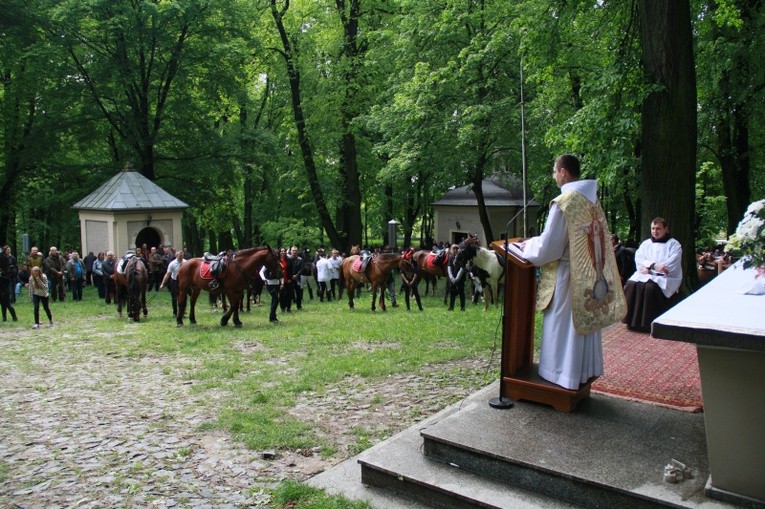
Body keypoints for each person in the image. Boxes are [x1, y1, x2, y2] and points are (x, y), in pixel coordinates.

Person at [520, 154, 626, 390]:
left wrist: (527, 247)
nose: (554, 176)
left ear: (564, 172)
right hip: (588, 275)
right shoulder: (591, 201)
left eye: (555, 171)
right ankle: (581, 371)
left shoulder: (565, 202)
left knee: (563, 326)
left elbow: (551, 247)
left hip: (568, 276)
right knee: (583, 324)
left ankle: (560, 374)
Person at [622, 217, 683, 332]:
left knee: (649, 288)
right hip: (647, 274)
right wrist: (654, 265)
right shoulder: (646, 244)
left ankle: (647, 324)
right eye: (653, 228)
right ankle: (632, 322)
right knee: (631, 284)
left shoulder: (674, 245)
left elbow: (669, 266)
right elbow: (639, 259)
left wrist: (650, 269)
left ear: (666, 229)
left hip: (666, 278)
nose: (655, 231)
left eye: (658, 228)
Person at [159, 249, 185, 318]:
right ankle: (175, 312)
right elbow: (167, 274)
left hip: (183, 282)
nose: (181, 257)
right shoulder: (172, 263)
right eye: (180, 256)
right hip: (175, 281)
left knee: (182, 297)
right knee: (174, 298)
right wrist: (162, 284)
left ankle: (182, 312)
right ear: (176, 256)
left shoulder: (185, 262)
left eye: (182, 256)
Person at [447, 244, 466, 311]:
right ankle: (451, 307)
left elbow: (462, 268)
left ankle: (462, 307)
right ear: (451, 250)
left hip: (460, 278)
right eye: (453, 249)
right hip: (452, 278)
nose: (455, 250)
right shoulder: (451, 258)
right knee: (452, 292)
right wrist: (452, 278)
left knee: (461, 292)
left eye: (456, 249)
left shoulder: (462, 258)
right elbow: (449, 268)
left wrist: (457, 278)